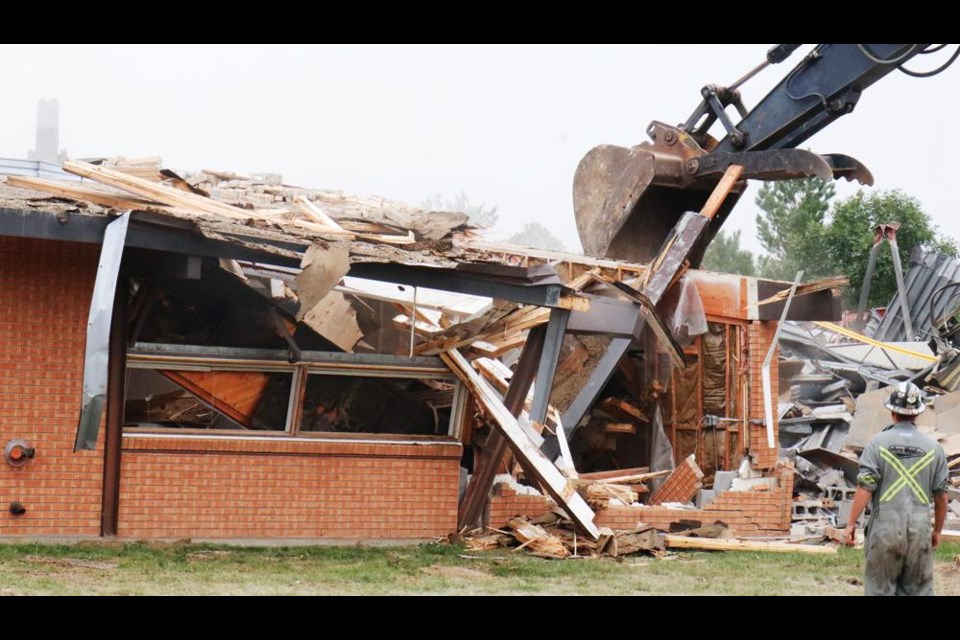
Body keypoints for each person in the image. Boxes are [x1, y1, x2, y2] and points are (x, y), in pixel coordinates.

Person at [844, 381, 949, 596]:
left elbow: (866, 486)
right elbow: (941, 496)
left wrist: (851, 523)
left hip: (885, 530)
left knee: (880, 590)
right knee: (918, 591)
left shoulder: (877, 443)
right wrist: (937, 530)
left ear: (892, 411)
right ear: (918, 414)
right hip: (920, 530)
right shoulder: (935, 449)